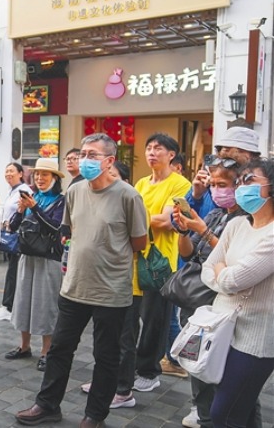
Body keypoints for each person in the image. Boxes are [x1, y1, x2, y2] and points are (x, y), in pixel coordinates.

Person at [16, 133, 147, 427]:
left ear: (110, 161)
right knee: (60, 349)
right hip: (74, 286)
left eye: (92, 155)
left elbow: (139, 242)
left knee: (106, 356)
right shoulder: (75, 191)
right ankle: (47, 405)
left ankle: (95, 416)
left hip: (111, 291)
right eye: (83, 154)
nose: (85, 160)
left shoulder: (128, 196)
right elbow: (70, 230)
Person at [172, 158, 249, 428]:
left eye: (222, 184)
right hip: (197, 301)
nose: (217, 190)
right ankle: (201, 410)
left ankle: (214, 415)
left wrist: (202, 230)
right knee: (197, 361)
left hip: (222, 304)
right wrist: (184, 230)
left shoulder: (247, 221)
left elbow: (232, 258)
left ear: (239, 185)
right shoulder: (216, 214)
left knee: (220, 366)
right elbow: (188, 253)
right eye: (213, 184)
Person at [201, 158, 274, 428]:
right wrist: (225, 274)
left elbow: (233, 280)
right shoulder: (236, 225)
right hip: (221, 328)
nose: (242, 187)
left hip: (254, 340)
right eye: (240, 181)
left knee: (224, 413)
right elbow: (207, 269)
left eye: (250, 180)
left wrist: (223, 272)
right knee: (238, 410)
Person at [130, 133, 191, 392]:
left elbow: (168, 221)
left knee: (155, 320)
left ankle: (149, 372)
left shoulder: (181, 184)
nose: (152, 153)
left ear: (171, 155)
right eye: (149, 148)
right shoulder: (141, 183)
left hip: (161, 263)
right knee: (130, 317)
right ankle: (130, 367)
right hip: (135, 257)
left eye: (158, 148)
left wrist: (137, 217)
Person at [4, 159, 66, 372]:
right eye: (37, 174)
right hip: (26, 256)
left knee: (46, 305)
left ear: (55, 178)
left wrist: (35, 208)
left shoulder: (61, 201)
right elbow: (13, 227)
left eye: (45, 175)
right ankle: (24, 346)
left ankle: (46, 352)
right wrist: (21, 211)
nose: (40, 178)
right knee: (24, 302)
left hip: (48, 259)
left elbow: (55, 228)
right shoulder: (31, 197)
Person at [0, 163, 32, 322]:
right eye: (6, 171)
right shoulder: (12, 191)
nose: (8, 174)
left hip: (18, 238)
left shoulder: (24, 191)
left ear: (20, 173)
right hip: (10, 235)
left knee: (13, 273)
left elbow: (25, 213)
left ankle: (8, 307)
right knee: (12, 272)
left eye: (12, 171)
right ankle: (9, 306)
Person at [186, 127, 261, 218]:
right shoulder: (205, 185)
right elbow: (179, 221)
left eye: (239, 151)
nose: (231, 155)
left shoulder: (256, 191)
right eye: (225, 150)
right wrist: (195, 197)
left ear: (253, 157)